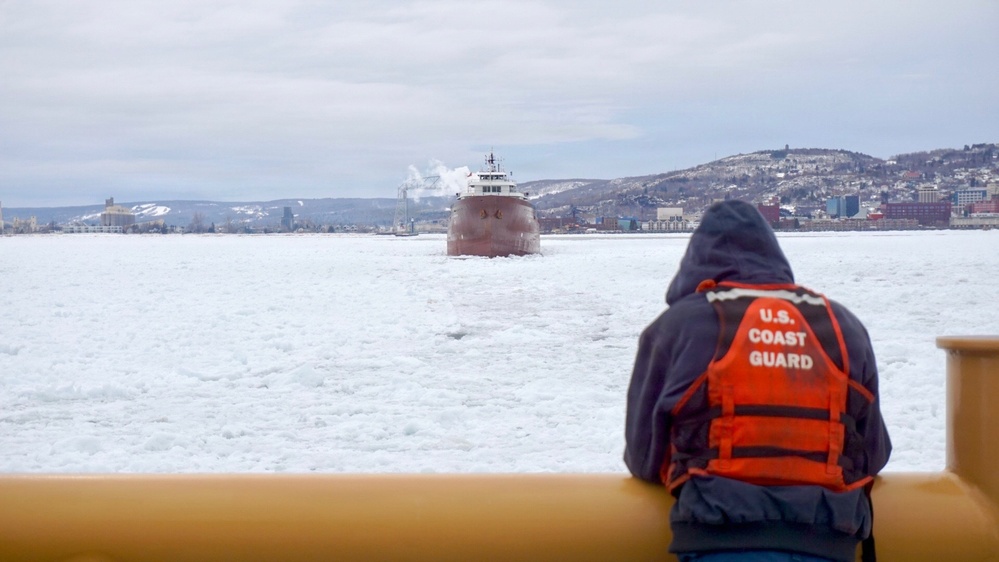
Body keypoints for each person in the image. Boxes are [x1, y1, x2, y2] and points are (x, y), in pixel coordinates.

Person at [624, 200, 891, 562]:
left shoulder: (679, 325)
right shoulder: (843, 325)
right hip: (829, 541)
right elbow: (873, 453)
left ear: (694, 260)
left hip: (717, 540)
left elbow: (643, 457)